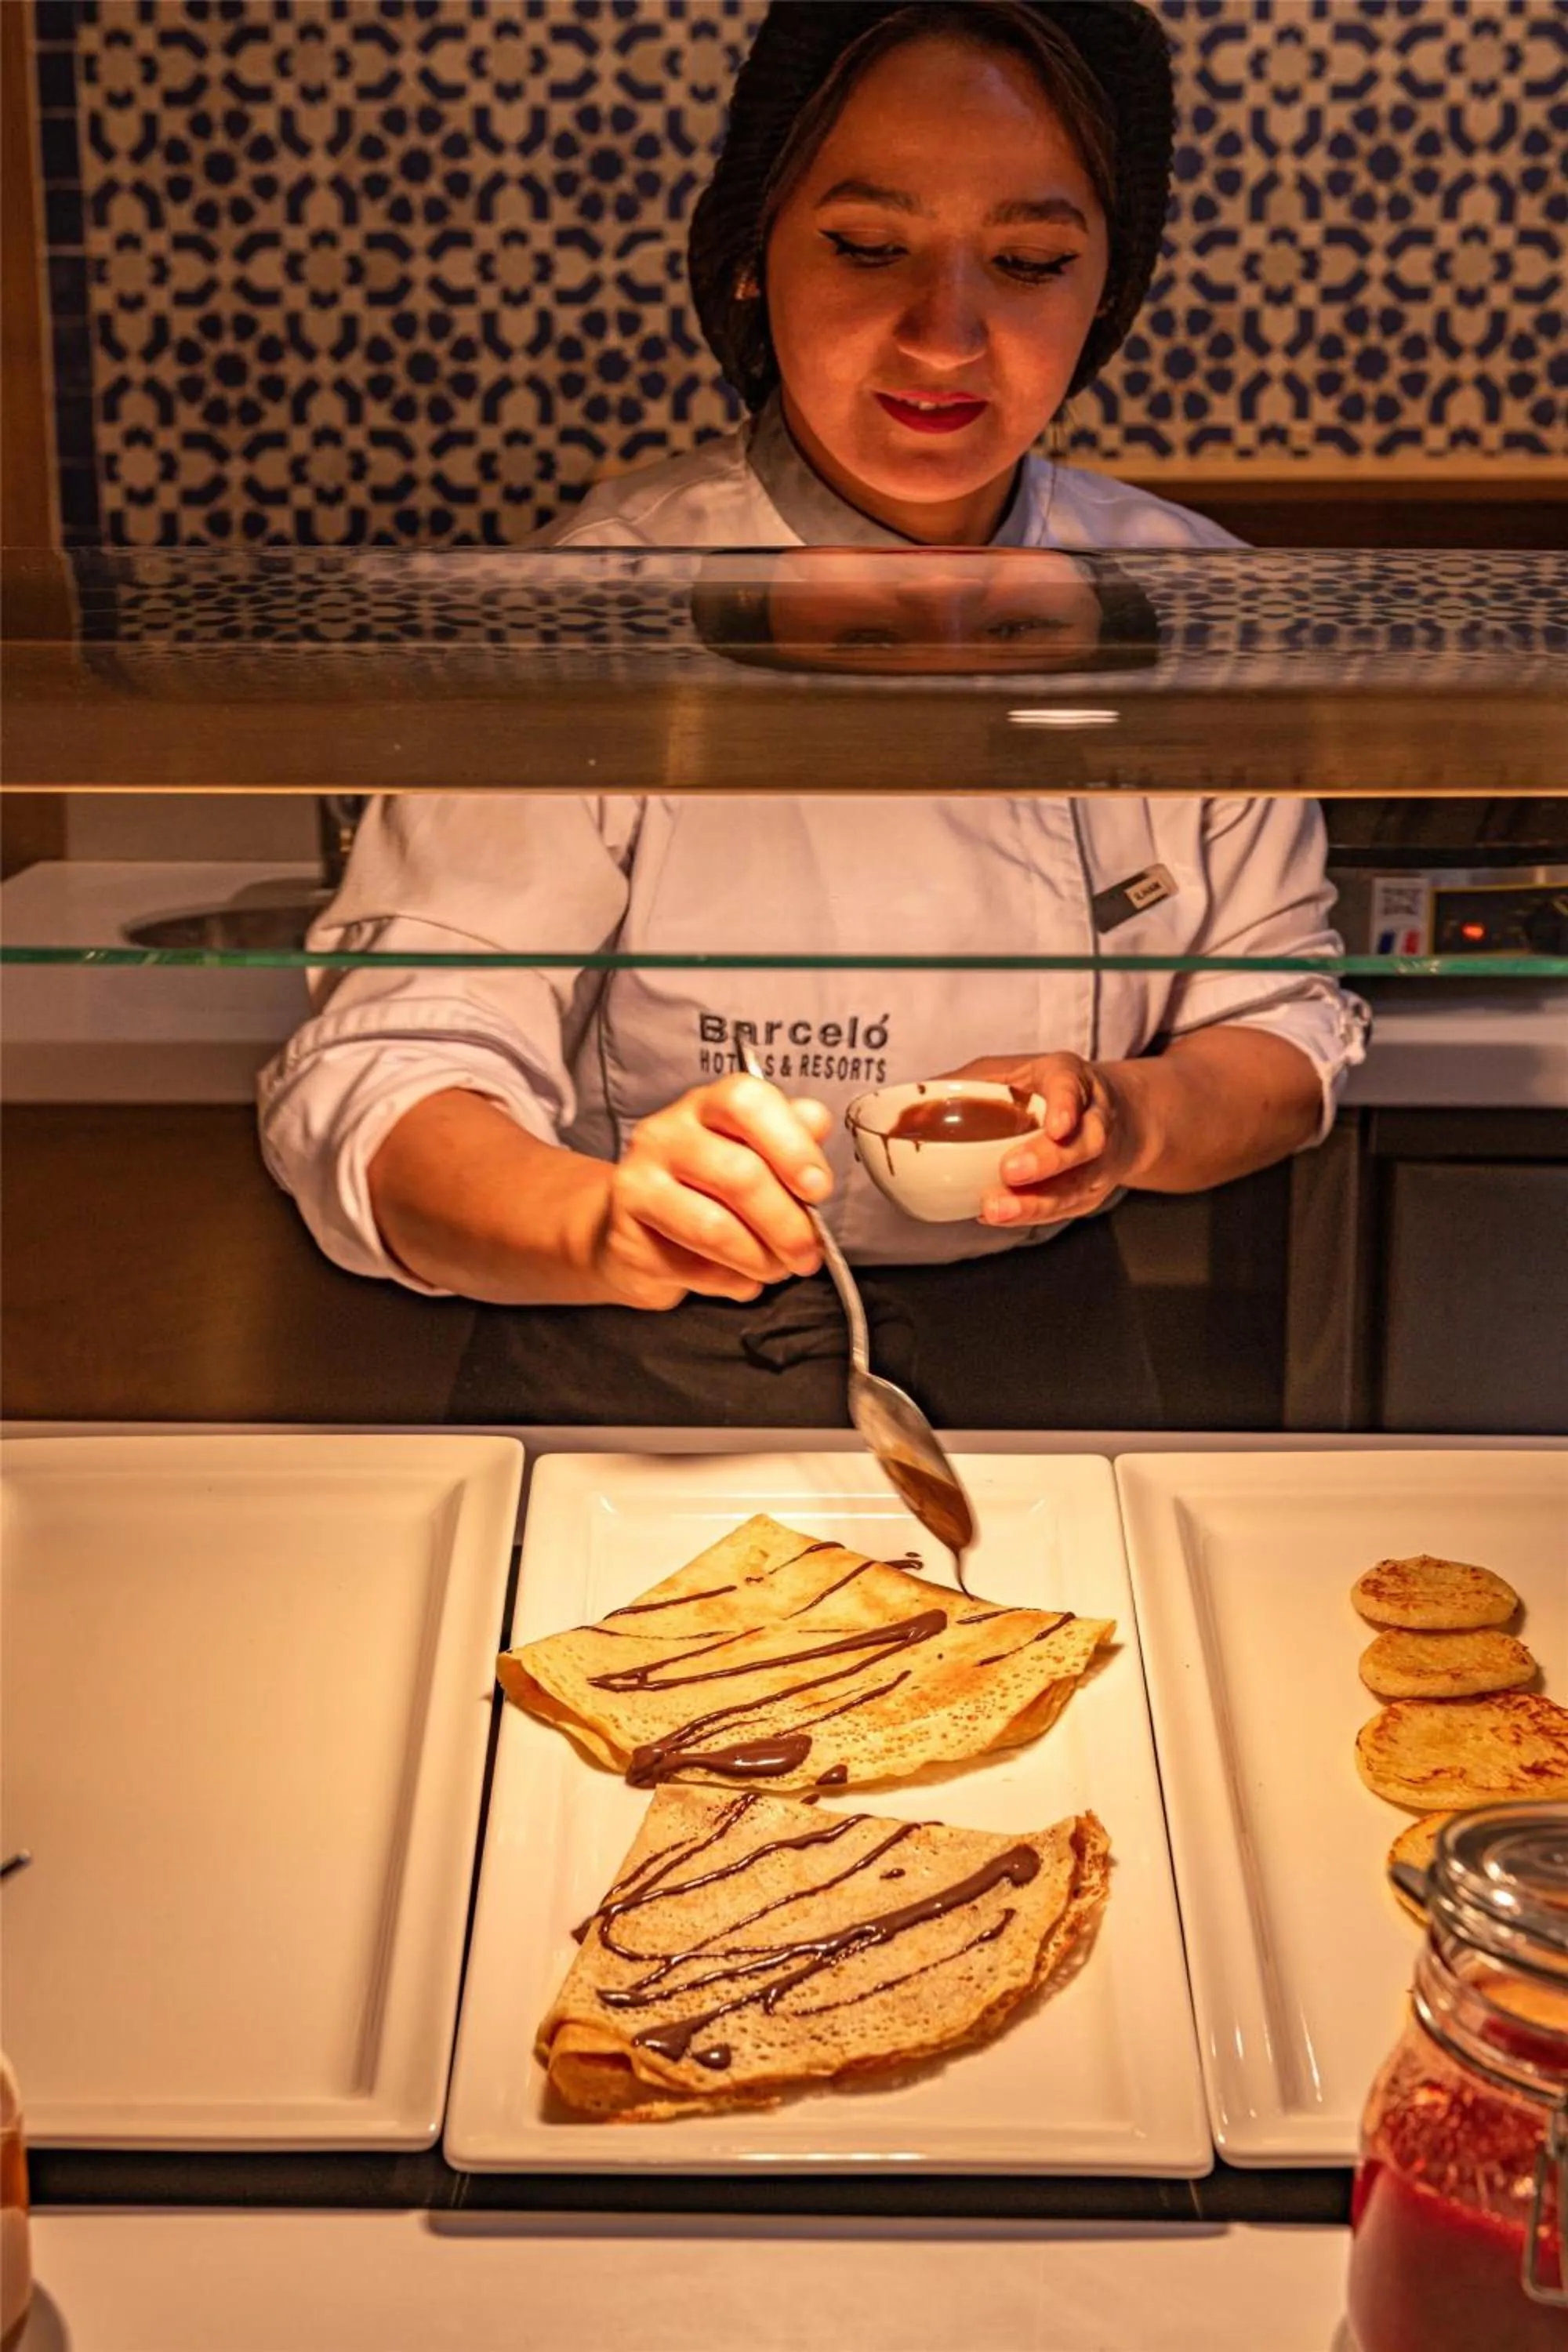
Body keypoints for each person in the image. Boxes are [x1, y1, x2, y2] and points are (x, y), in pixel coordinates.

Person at [259, 0, 1367, 1428]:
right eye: (866, 247)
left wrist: (1133, 1115)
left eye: (1029, 261)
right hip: (637, 1369)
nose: (947, 335)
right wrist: (599, 1222)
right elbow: (389, 1071)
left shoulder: (1188, 606)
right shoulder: (586, 612)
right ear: (749, 260)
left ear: (1108, 288)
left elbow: (1279, 1026)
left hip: (1052, 1357)